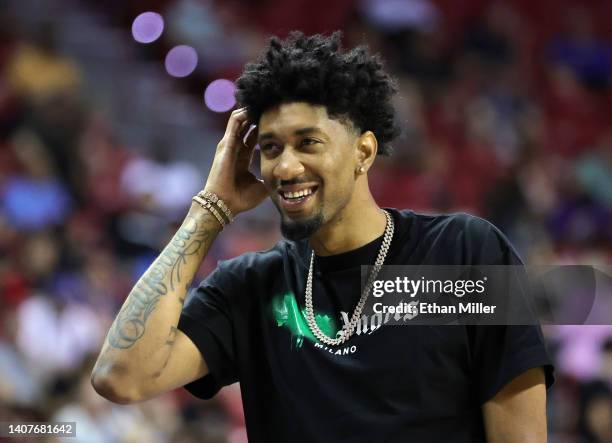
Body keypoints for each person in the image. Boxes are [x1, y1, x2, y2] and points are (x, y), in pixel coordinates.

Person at [91, 32, 554, 442]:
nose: (286, 167)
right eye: (270, 148)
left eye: (308, 143)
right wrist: (210, 209)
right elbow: (121, 376)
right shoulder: (252, 287)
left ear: (363, 151)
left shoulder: (464, 251)